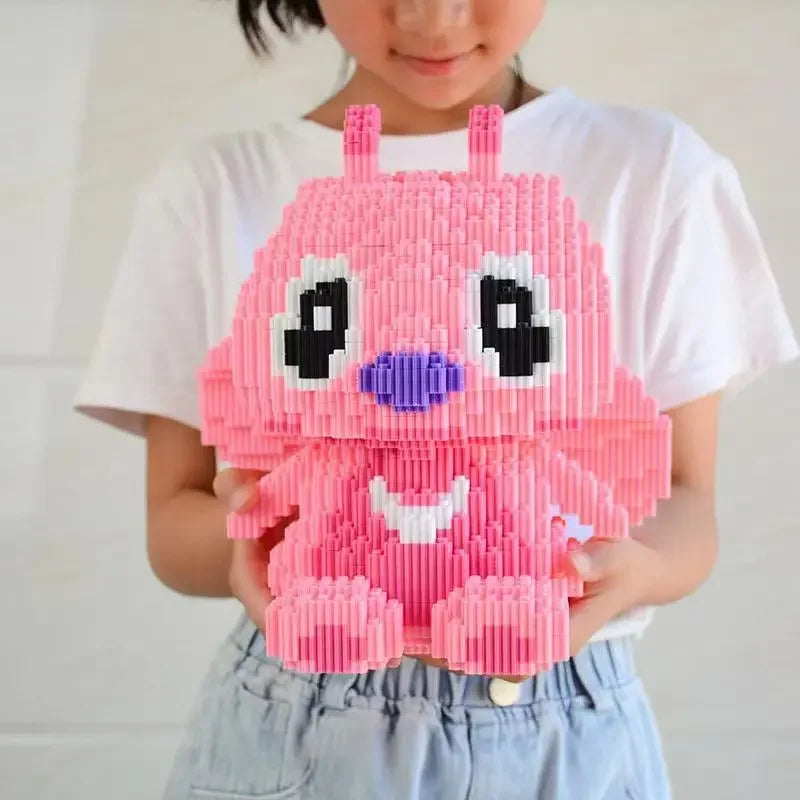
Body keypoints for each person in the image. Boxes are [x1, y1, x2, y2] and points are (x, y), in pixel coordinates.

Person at [74, 1, 799, 798]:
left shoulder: (655, 173)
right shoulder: (212, 187)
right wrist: (273, 537)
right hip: (304, 709)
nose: (434, 16)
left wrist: (621, 570)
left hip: (567, 716)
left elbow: (688, 503)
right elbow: (174, 525)